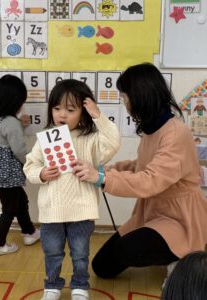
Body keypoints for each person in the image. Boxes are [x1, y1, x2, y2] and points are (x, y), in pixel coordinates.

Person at [71, 63, 207, 285]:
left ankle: (182, 257)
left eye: (125, 98)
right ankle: (171, 250)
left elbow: (150, 180)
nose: (125, 104)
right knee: (102, 267)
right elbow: (141, 166)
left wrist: (102, 178)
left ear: (141, 95)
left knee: (129, 249)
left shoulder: (175, 133)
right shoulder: (152, 127)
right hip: (153, 211)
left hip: (180, 217)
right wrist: (104, 171)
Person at [23, 79, 120, 300]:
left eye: (70, 109)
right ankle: (52, 285)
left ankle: (80, 285)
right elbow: (30, 166)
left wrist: (99, 116)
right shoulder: (45, 138)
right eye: (57, 108)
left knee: (80, 254)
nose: (62, 115)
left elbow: (113, 141)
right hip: (52, 212)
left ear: (84, 112)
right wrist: (41, 173)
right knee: (52, 253)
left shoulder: (92, 139)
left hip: (81, 211)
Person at [0, 75, 40, 256]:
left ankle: (29, 232)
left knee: (20, 201)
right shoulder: (12, 123)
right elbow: (19, 150)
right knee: (9, 208)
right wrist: (32, 165)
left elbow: (4, 139)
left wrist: (21, 126)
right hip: (7, 174)